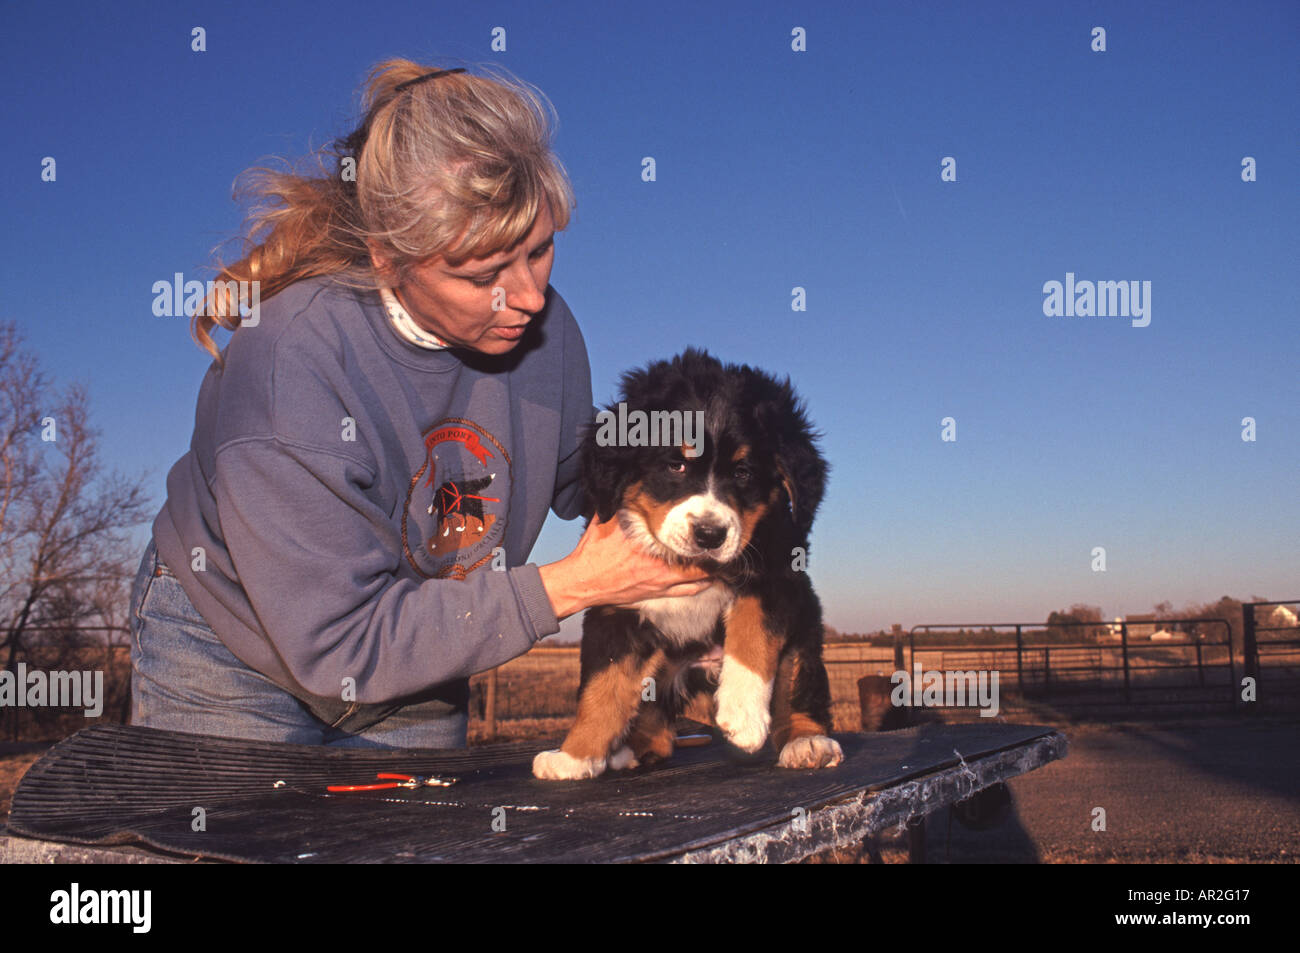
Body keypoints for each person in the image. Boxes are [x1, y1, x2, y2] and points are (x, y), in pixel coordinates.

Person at [130, 59, 710, 749]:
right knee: (234, 850)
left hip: (419, 639)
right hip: (234, 646)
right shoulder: (293, 359)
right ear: (387, 258)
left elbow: (588, 479)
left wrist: (698, 509)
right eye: (483, 272)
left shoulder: (547, 334)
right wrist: (566, 586)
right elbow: (340, 641)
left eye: (539, 250)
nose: (526, 296)